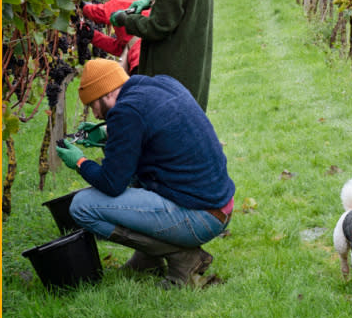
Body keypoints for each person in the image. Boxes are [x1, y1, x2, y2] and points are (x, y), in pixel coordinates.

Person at [55, 59, 235, 289]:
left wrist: (79, 162)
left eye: (92, 105)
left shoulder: (125, 112)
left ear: (107, 94)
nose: (95, 113)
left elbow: (112, 183)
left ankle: (183, 257)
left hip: (201, 216)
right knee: (135, 176)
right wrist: (108, 135)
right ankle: (147, 259)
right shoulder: (161, 84)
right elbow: (146, 135)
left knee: (82, 206)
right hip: (218, 206)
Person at [81, 0, 150, 74]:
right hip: (155, 60)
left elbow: (103, 12)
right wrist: (93, 36)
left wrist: (86, 7)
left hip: (142, 62)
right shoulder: (148, 2)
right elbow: (122, 48)